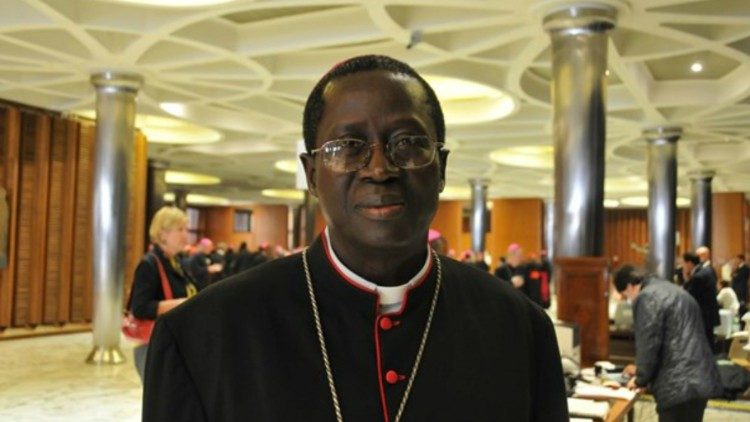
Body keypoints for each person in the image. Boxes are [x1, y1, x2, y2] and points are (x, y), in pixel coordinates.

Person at [143, 55, 567, 421]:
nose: (379, 168)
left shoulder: (521, 329)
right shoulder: (202, 335)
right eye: (347, 147)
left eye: (407, 143)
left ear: (440, 168)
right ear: (312, 175)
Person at [614, 265, 722, 422]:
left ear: (630, 286)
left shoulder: (647, 297)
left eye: (626, 295)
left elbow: (649, 342)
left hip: (677, 384)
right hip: (699, 378)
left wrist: (640, 379)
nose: (630, 300)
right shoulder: (674, 290)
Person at [127, 206, 199, 382]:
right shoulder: (149, 264)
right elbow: (140, 308)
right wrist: (181, 303)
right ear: (163, 234)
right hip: (154, 347)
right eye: (180, 229)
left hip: (175, 345)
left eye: (186, 229)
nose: (185, 235)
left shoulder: (176, 263)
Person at [683, 252, 720, 347]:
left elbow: (688, 295)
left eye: (684, 263)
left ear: (689, 263)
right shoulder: (708, 270)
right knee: (709, 341)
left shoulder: (698, 277)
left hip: (703, 315)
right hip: (710, 314)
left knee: (704, 344)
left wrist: (686, 278)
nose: (683, 267)